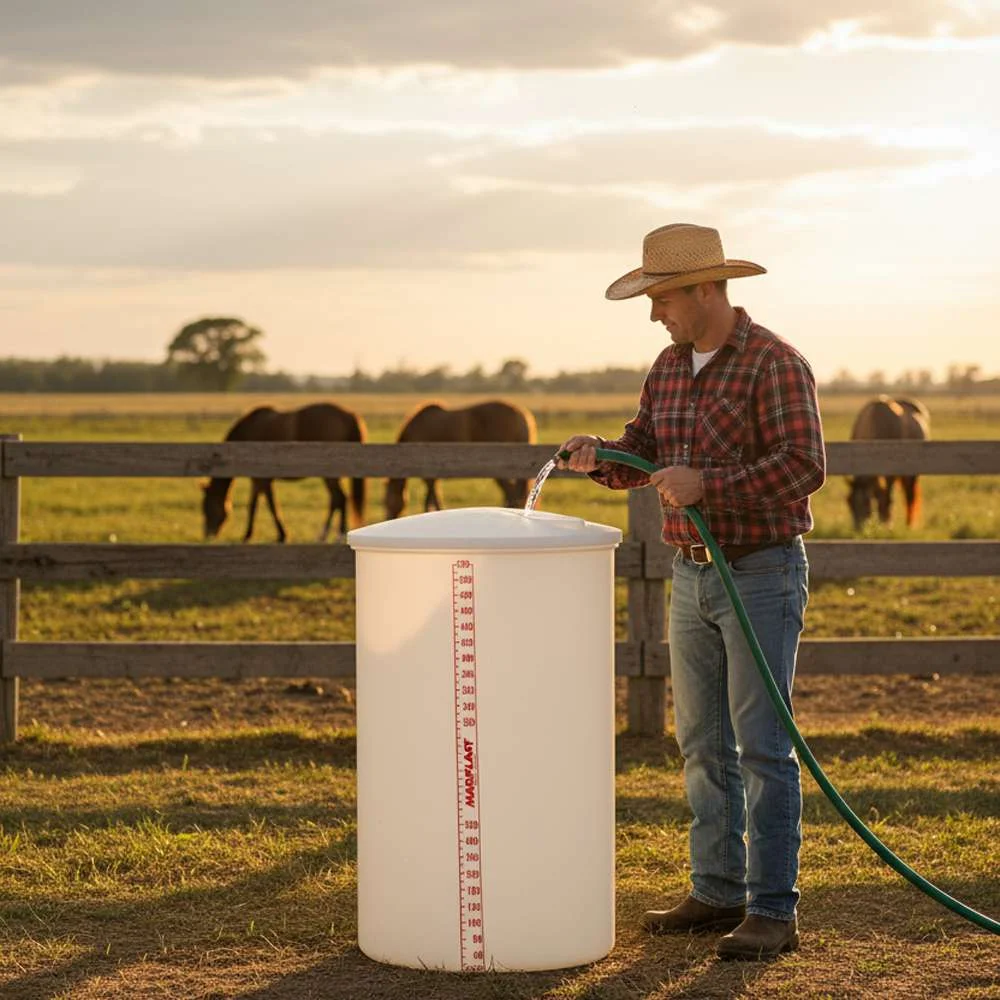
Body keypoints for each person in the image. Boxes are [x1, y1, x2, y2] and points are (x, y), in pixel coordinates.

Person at [558, 223, 825, 961]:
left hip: (760, 572)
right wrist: (600, 457)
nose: (655, 314)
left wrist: (712, 484)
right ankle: (716, 891)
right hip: (692, 573)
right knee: (702, 743)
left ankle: (773, 909)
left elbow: (805, 465)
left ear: (708, 288)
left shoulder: (775, 363)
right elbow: (645, 447)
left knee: (764, 747)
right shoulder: (670, 366)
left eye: (664, 298)